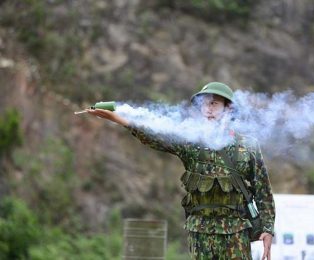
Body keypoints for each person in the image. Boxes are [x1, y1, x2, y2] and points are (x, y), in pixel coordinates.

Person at [87, 82, 275, 260]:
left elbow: (263, 190)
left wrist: (267, 229)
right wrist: (121, 120)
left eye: (214, 104)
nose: (207, 109)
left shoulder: (247, 147)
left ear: (228, 109)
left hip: (236, 233)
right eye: (204, 104)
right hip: (200, 233)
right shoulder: (191, 141)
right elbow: (155, 136)